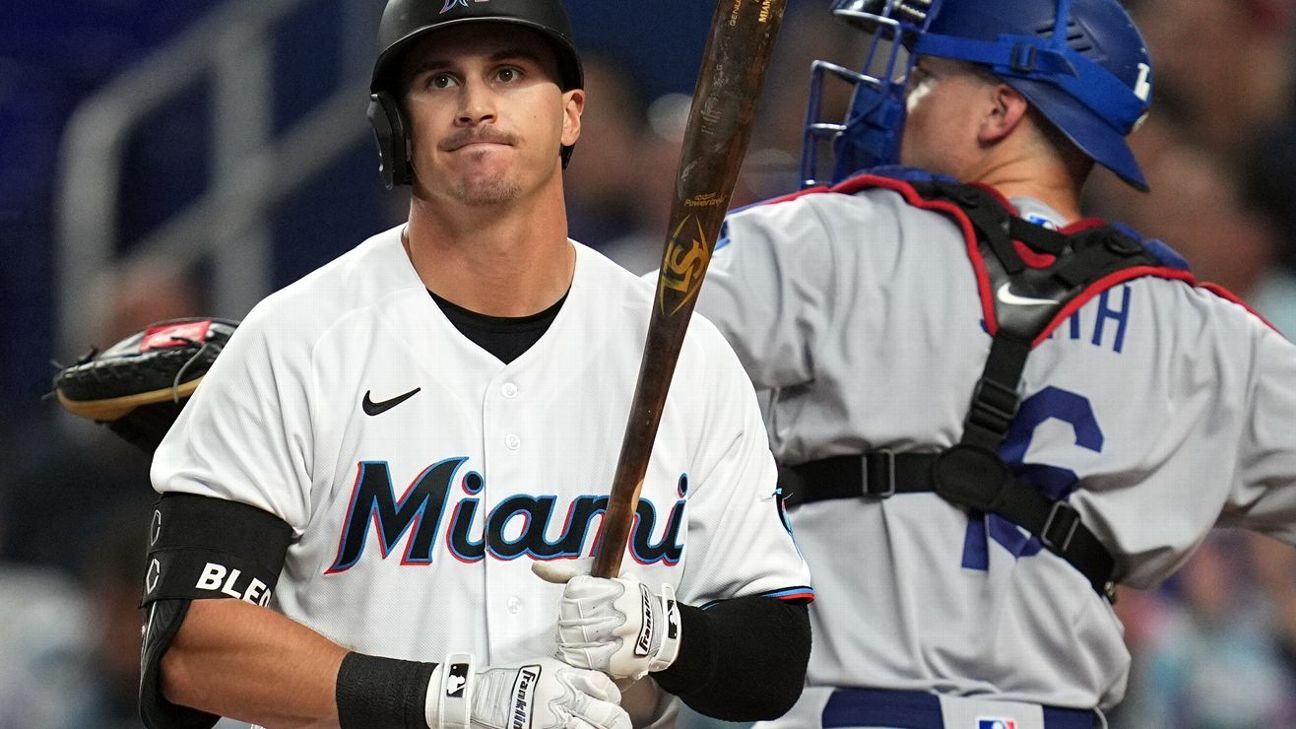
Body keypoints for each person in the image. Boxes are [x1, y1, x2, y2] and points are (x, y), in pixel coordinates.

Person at [139, 1, 813, 728]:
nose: (476, 105)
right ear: (393, 129)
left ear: (571, 114)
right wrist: (448, 698)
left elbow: (772, 659)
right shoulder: (297, 342)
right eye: (439, 80)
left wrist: (666, 633)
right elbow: (192, 650)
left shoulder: (685, 357)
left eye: (509, 72)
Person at [689, 0, 1296, 727]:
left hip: (841, 709)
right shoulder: (1206, 330)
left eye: (927, 74)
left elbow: (604, 365)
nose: (900, 96)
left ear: (1000, 109)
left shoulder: (826, 237)